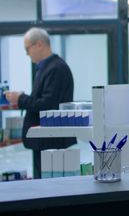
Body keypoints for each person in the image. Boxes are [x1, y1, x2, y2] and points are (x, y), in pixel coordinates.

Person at [4, 27, 76, 179]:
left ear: (39, 44)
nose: (26, 53)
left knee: (50, 190)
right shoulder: (47, 68)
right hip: (45, 141)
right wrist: (22, 98)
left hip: (51, 142)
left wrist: (21, 99)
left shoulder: (56, 69)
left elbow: (48, 105)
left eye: (27, 48)